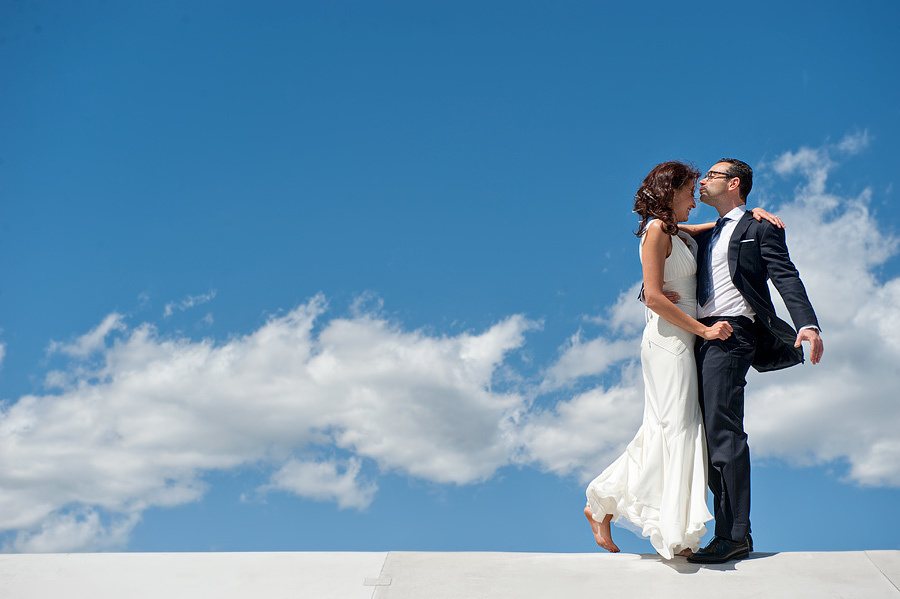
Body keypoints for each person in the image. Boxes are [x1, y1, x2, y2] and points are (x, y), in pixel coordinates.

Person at [584, 161, 782, 559]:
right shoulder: (657, 231)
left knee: (676, 429)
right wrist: (704, 331)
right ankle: (608, 502)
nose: (694, 200)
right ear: (670, 192)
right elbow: (654, 295)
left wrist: (752, 214)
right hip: (670, 343)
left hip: (683, 341)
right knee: (673, 428)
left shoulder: (675, 230)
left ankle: (649, 518)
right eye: (690, 192)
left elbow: (720, 229)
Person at [687, 158, 823, 564]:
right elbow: (669, 232)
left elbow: (786, 276)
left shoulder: (760, 227)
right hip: (697, 336)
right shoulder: (708, 233)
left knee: (723, 431)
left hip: (732, 334)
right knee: (705, 433)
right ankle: (722, 529)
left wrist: (808, 325)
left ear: (734, 184)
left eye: (710, 175)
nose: (701, 181)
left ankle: (734, 535)